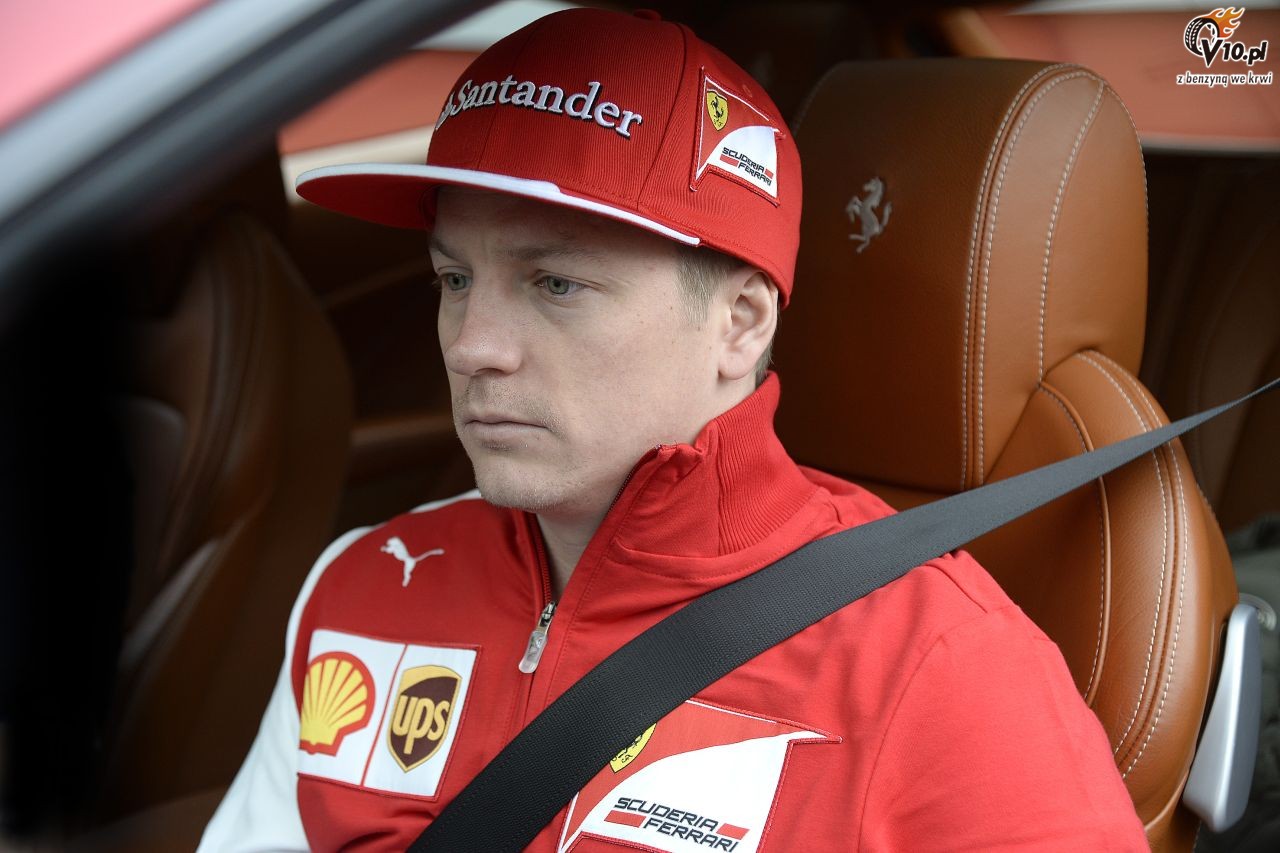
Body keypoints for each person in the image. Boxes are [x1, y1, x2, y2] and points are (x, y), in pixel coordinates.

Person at [200, 7, 1148, 851]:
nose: (472, 345)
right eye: (455, 279)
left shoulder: (942, 669)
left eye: (555, 282)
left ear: (739, 324)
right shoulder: (365, 585)